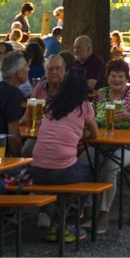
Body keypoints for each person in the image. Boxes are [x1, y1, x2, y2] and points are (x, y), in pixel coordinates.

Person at [30, 67, 96, 244]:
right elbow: (94, 133)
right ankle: (68, 222)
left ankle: (49, 217)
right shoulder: (84, 107)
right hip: (62, 171)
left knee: (58, 177)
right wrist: (82, 135)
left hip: (36, 169)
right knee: (89, 175)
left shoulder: (52, 104)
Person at [92, 61, 130, 235]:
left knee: (111, 166)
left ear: (127, 78)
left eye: (120, 76)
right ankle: (86, 210)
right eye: (113, 76)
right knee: (83, 162)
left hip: (129, 146)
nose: (117, 80)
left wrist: (128, 116)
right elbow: (89, 118)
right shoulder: (101, 94)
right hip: (100, 144)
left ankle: (103, 213)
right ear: (107, 77)